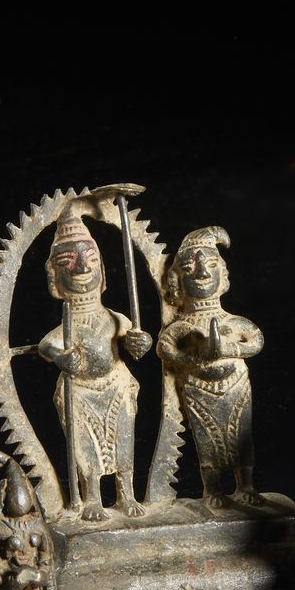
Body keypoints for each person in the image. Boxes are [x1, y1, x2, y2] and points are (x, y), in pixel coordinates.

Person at [36, 208, 152, 520]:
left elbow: (135, 342)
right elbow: (46, 344)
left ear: (101, 268)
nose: (82, 267)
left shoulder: (113, 317)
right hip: (80, 394)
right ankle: (92, 499)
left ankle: (127, 494)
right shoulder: (68, 322)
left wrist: (140, 343)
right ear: (55, 276)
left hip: (116, 386)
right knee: (84, 447)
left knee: (123, 443)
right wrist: (60, 356)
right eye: (68, 261)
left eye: (89, 258)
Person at [157, 226, 266, 507]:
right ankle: (213, 490)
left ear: (222, 274)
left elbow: (256, 340)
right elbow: (165, 347)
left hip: (236, 386)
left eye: (211, 265)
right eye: (189, 268)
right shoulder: (183, 325)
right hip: (198, 389)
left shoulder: (232, 321)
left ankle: (246, 486)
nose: (202, 273)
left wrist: (231, 349)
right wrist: (192, 359)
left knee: (241, 435)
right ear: (177, 280)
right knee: (206, 438)